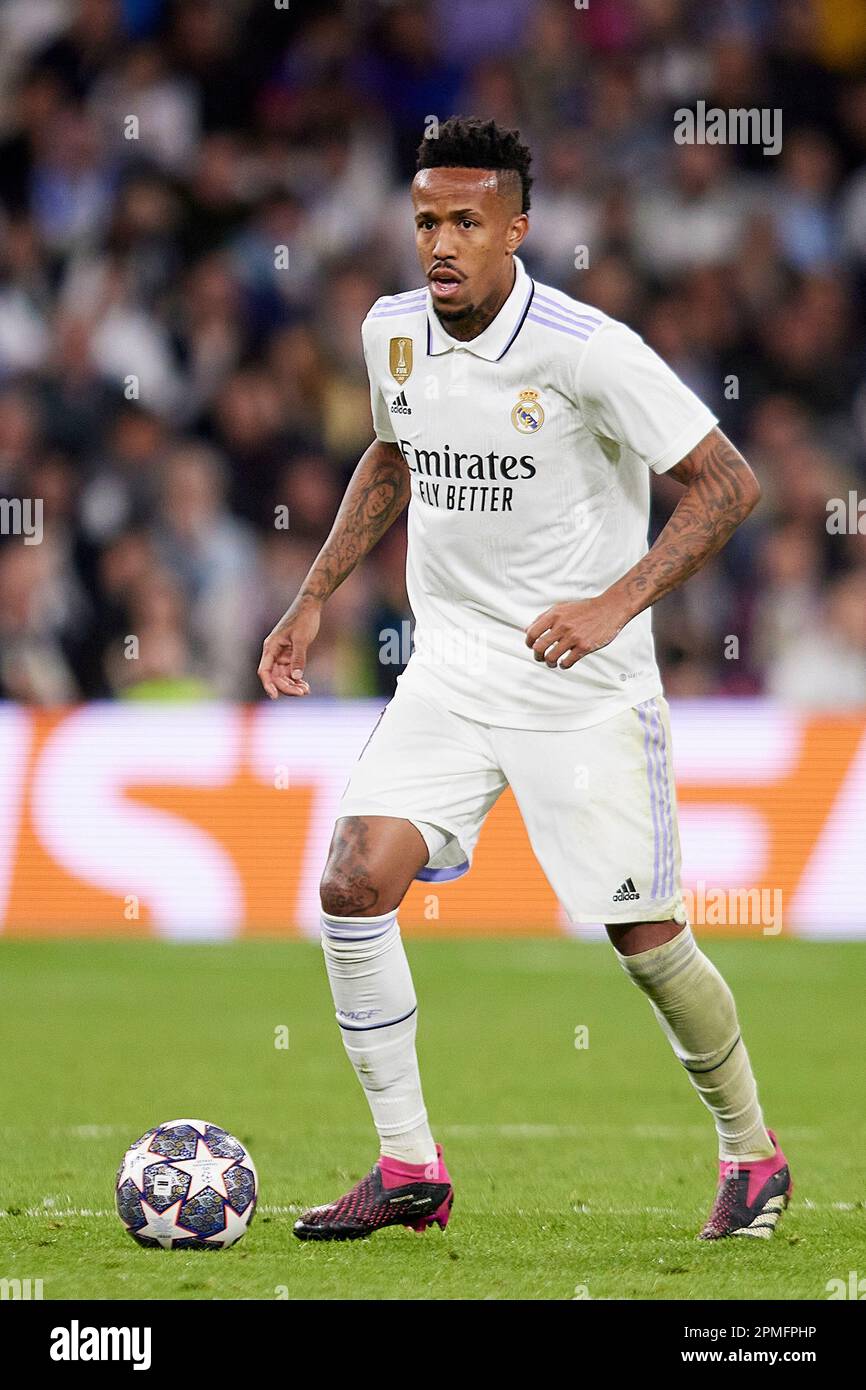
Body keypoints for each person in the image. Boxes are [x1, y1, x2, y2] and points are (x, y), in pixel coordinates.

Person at [258, 117, 791, 1243]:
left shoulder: (586, 348)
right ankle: (409, 1166)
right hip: (449, 669)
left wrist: (612, 604)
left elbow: (724, 483)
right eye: (423, 223)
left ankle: (749, 1151)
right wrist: (313, 595)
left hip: (581, 687)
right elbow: (394, 451)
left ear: (517, 228)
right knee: (354, 881)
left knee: (644, 941)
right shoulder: (391, 332)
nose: (439, 244)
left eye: (463, 222)